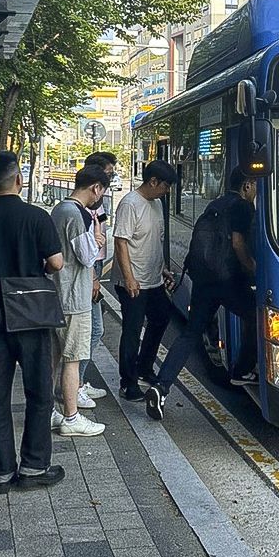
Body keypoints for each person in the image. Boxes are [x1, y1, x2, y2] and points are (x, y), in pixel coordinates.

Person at [0, 151, 66, 493]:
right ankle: (34, 466)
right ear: (19, 179)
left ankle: (1, 472)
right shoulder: (36, 217)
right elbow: (57, 263)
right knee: (38, 392)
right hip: (31, 314)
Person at [145, 167, 257, 422]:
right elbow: (238, 244)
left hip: (204, 281)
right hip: (228, 281)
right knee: (257, 315)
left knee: (189, 334)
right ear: (247, 185)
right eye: (255, 186)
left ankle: (161, 387)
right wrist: (253, 268)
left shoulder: (215, 204)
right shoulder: (242, 206)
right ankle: (242, 370)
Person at [50, 165, 110, 437]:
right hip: (73, 297)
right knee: (72, 359)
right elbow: (86, 258)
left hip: (57, 294)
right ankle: (71, 418)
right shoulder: (76, 215)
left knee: (52, 358)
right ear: (96, 188)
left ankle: (47, 411)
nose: (101, 197)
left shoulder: (60, 209)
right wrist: (97, 241)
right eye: (103, 191)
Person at [112, 160, 177, 400]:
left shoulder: (157, 203)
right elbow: (121, 242)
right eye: (165, 186)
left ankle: (144, 367)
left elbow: (155, 241)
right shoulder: (130, 204)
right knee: (132, 330)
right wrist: (129, 278)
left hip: (153, 279)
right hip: (133, 281)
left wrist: (163, 269)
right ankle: (128, 383)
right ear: (152, 182)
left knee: (161, 317)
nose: (167, 191)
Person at [77, 150, 118, 406]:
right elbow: (82, 252)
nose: (111, 180)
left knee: (93, 330)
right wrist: (94, 276)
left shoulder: (96, 204)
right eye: (109, 174)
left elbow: (102, 221)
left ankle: (77, 382)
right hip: (89, 267)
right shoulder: (79, 210)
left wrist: (101, 230)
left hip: (97, 262)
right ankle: (74, 384)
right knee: (93, 330)